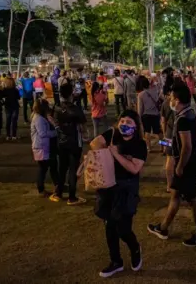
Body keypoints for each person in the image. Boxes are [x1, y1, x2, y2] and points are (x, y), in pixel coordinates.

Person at [148, 84, 196, 247]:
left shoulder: (183, 119)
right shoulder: (189, 114)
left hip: (186, 163)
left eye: (172, 98)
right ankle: (163, 228)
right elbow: (176, 143)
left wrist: (180, 166)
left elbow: (186, 146)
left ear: (178, 99)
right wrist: (159, 140)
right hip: (189, 160)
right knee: (175, 195)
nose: (170, 100)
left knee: (193, 199)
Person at [89, 110, 146, 278]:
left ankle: (135, 248)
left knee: (123, 229)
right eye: (122, 121)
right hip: (108, 186)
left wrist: (116, 154)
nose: (124, 124)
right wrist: (105, 152)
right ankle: (116, 261)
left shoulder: (139, 145)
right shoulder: (113, 134)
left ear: (136, 126)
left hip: (126, 190)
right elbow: (94, 143)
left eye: (129, 122)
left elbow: (134, 168)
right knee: (109, 226)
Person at [51, 83, 87, 205]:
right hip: (74, 142)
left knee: (62, 168)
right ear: (71, 93)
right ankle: (72, 197)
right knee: (73, 169)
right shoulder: (75, 109)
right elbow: (82, 126)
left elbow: (54, 122)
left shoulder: (56, 107)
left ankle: (59, 192)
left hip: (61, 141)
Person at [31, 99, 60, 197]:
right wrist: (55, 133)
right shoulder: (38, 118)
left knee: (53, 166)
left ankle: (57, 185)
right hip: (41, 147)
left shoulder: (41, 117)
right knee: (43, 168)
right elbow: (43, 133)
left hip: (45, 147)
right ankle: (41, 189)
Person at [137, 76, 161, 152]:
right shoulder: (155, 91)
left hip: (146, 115)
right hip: (156, 115)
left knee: (147, 132)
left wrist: (139, 118)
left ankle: (149, 148)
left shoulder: (140, 94)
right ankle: (163, 147)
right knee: (158, 132)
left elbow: (140, 108)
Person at [160, 86, 176, 192]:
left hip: (169, 134)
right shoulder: (183, 102)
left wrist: (164, 135)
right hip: (180, 134)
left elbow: (162, 121)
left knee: (169, 158)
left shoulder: (165, 103)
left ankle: (169, 185)